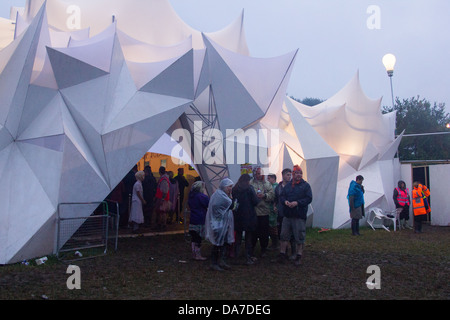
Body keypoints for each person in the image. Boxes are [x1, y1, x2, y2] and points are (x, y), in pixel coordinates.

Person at [278, 165, 312, 266]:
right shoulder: (288, 186)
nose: (299, 175)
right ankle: (282, 255)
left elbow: (309, 198)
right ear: (293, 174)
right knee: (284, 236)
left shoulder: (306, 186)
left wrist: (297, 203)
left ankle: (298, 256)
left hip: (299, 216)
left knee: (299, 237)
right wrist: (286, 202)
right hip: (287, 215)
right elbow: (282, 196)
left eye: (300, 173)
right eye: (297, 173)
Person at [205, 178, 235, 271]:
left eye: (231, 187)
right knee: (217, 244)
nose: (230, 189)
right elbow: (232, 205)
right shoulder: (220, 195)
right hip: (218, 224)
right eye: (229, 186)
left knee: (223, 243)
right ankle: (214, 263)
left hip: (223, 223)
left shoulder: (222, 195)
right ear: (224, 186)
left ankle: (221, 261)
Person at [232, 174, 261, 265]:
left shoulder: (235, 188)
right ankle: (248, 257)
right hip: (249, 216)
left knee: (238, 238)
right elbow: (255, 202)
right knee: (248, 238)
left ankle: (236, 257)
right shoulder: (250, 189)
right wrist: (258, 198)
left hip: (238, 216)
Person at [250, 167, 275, 258]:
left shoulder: (267, 184)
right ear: (254, 174)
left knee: (264, 233)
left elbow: (272, 195)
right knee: (253, 233)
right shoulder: (250, 183)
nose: (260, 175)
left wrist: (264, 195)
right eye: (257, 174)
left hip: (264, 212)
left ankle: (263, 249)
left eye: (261, 173)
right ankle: (251, 249)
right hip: (254, 212)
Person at [274, 168, 295, 257]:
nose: (289, 177)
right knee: (281, 233)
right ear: (283, 175)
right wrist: (275, 206)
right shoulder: (278, 187)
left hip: (290, 213)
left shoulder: (293, 186)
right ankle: (284, 251)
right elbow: (276, 198)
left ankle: (293, 252)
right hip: (281, 213)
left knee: (292, 233)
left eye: (290, 175)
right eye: (287, 175)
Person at [187, 181, 209, 261]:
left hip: (193, 218)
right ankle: (198, 255)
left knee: (193, 237)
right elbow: (208, 203)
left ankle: (194, 253)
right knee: (198, 238)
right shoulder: (201, 196)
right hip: (200, 218)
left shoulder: (191, 196)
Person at [154, 166, 170, 230]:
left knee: (162, 212)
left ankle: (162, 225)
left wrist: (162, 199)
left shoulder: (163, 179)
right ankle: (161, 224)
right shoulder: (164, 179)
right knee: (161, 212)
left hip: (162, 198)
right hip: (162, 197)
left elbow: (164, 191)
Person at [267, 173, 279, 250]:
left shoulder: (276, 187)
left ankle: (275, 243)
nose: (268, 180)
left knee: (274, 227)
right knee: (271, 227)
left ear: (273, 179)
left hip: (274, 210)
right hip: (270, 210)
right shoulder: (271, 186)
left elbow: (274, 198)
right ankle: (274, 243)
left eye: (269, 178)